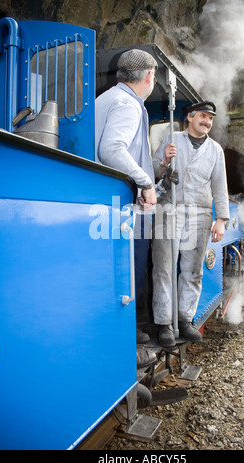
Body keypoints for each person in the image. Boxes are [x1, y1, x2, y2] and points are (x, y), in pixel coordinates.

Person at [95, 48, 159, 367]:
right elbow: (112, 149)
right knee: (130, 270)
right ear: (148, 77)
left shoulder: (105, 99)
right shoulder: (128, 104)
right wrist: (146, 182)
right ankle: (126, 340)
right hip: (122, 208)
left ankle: (125, 332)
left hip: (104, 203)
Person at [152, 101, 230, 348]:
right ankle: (164, 323)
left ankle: (185, 319)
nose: (207, 122)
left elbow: (220, 185)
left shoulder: (215, 150)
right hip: (169, 209)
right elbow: (153, 168)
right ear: (189, 117)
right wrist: (165, 161)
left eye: (210, 119)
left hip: (200, 214)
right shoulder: (172, 139)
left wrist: (221, 220)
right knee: (163, 267)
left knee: (192, 271)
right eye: (203, 117)